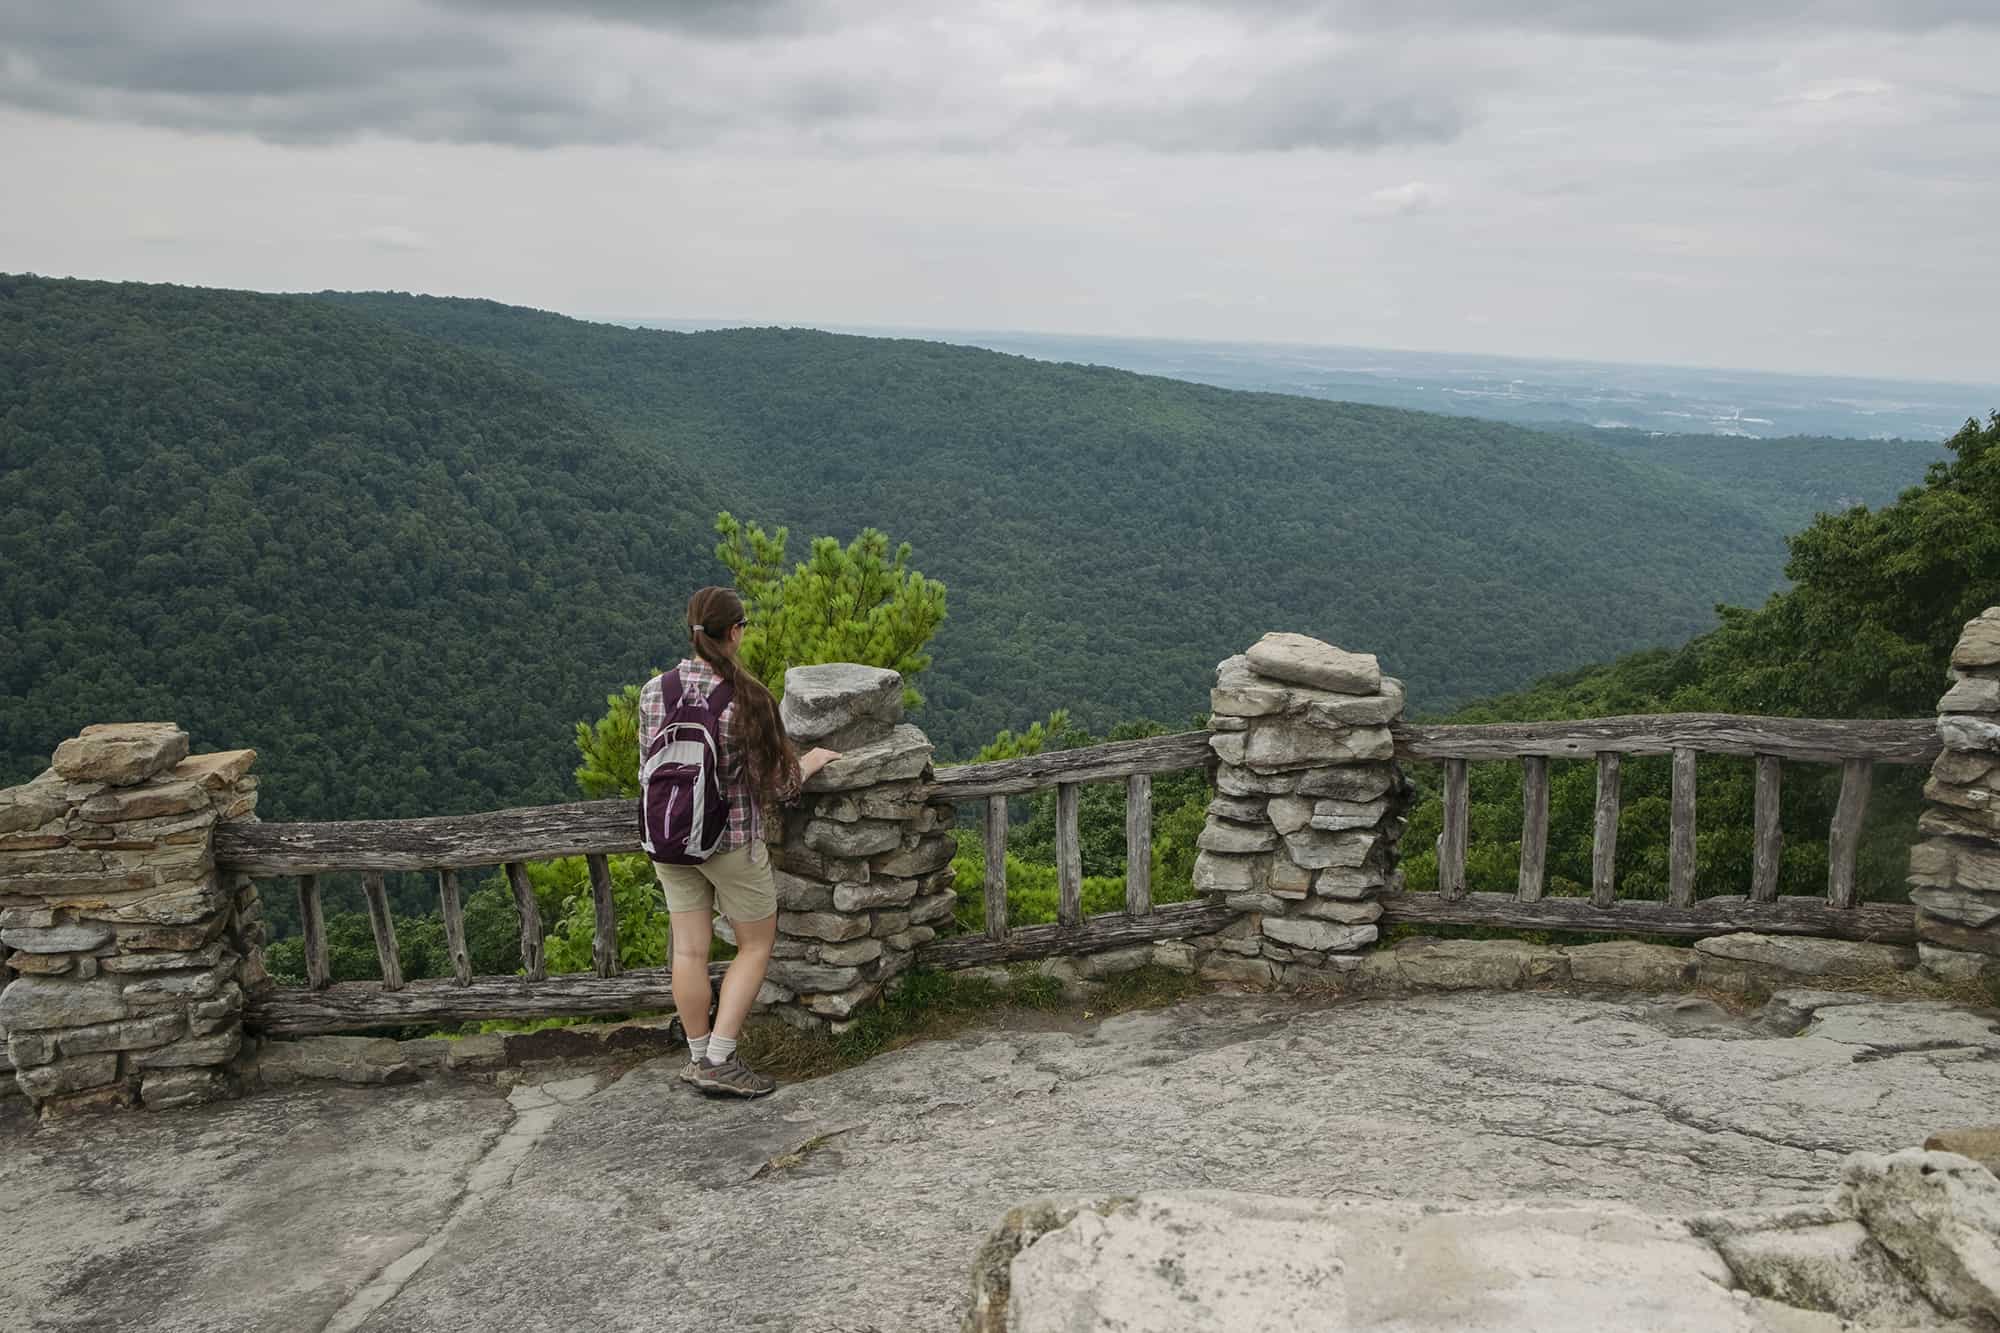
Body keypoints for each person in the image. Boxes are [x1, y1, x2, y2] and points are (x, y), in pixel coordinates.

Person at [640, 586, 840, 1097]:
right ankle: (721, 1059)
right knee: (755, 944)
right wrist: (811, 762)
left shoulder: (653, 691)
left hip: (669, 837)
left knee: (688, 951)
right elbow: (775, 787)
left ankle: (695, 1054)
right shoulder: (749, 699)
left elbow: (651, 766)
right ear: (734, 632)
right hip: (731, 840)